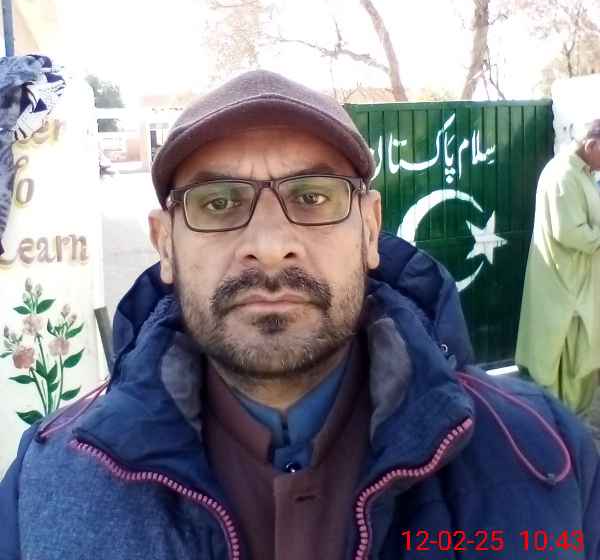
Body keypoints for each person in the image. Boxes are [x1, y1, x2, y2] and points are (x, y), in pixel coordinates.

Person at [1, 70, 599, 560]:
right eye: (218, 202)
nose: (268, 245)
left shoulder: (545, 457)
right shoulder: (49, 482)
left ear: (369, 230)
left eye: (313, 197)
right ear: (166, 245)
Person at [516, 119, 600, 417]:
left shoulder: (582, 173)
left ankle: (569, 421)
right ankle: (559, 425)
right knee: (563, 360)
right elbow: (570, 232)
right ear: (591, 144)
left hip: (579, 283)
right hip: (565, 287)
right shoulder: (563, 175)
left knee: (582, 360)